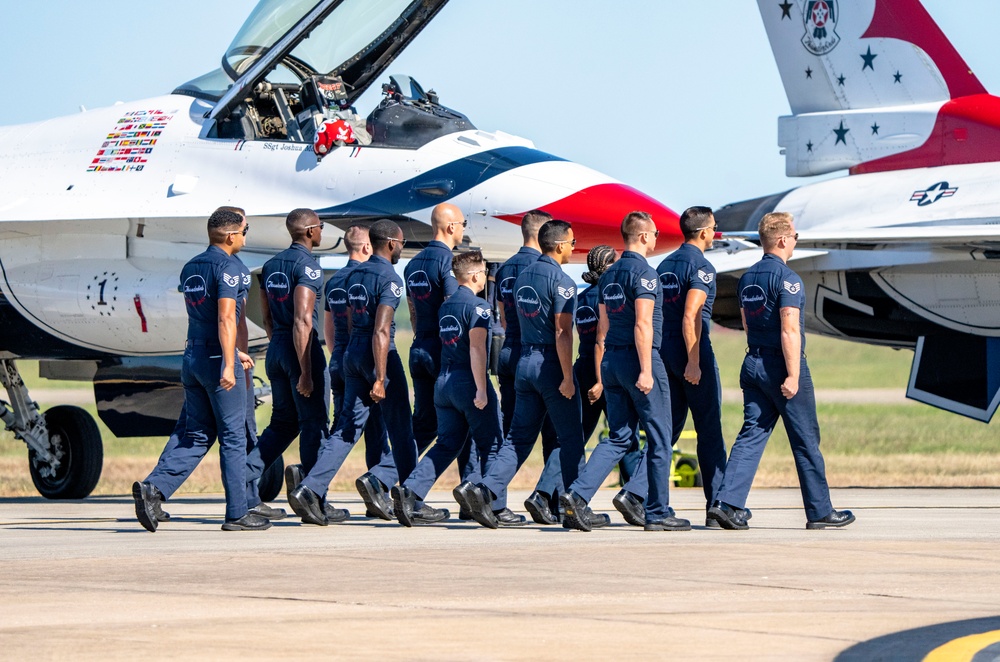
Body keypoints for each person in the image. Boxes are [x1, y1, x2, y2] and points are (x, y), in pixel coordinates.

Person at [289, 220, 444, 525]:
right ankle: (410, 499)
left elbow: (347, 322)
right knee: (402, 431)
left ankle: (309, 488)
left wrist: (352, 359)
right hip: (378, 356)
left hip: (351, 352)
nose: (401, 248)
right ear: (390, 243)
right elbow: (382, 330)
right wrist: (380, 377)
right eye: (400, 244)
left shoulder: (353, 275)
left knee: (347, 429)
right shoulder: (389, 278)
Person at [708, 212, 855, 530]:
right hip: (780, 364)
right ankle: (820, 511)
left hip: (753, 361)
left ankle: (727, 503)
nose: (795, 243)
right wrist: (791, 374)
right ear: (784, 240)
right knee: (805, 438)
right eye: (795, 237)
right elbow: (790, 329)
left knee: (752, 434)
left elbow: (747, 323)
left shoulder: (747, 277)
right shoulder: (788, 279)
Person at [132, 209, 270, 532]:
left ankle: (154, 490)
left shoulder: (190, 267)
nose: (246, 235)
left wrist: (231, 350)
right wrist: (228, 361)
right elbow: (225, 318)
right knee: (234, 437)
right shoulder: (231, 269)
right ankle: (237, 512)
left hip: (192, 356)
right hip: (216, 361)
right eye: (244, 230)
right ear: (230, 236)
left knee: (195, 433)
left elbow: (203, 316)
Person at [454, 220, 588, 529]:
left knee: (516, 439)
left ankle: (484, 489)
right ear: (558, 245)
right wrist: (567, 377)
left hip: (522, 362)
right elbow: (563, 332)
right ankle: (577, 503)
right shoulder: (562, 281)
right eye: (571, 241)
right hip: (550, 364)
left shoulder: (520, 276)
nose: (572, 246)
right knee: (570, 437)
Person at [562, 211, 690, 532]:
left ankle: (577, 497)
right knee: (660, 437)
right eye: (656, 234)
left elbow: (602, 330)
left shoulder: (608, 276)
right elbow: (643, 324)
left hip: (612, 361)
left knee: (619, 436)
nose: (657, 239)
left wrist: (605, 372)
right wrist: (647, 370)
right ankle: (657, 512)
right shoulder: (645, 274)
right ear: (645, 236)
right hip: (639, 360)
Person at [390, 251, 517, 526]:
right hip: (467, 382)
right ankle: (496, 507)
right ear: (474, 276)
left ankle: (409, 491)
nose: (485, 277)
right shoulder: (480, 307)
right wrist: (482, 389)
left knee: (447, 443)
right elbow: (476, 348)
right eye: (483, 272)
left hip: (443, 383)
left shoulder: (445, 307)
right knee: (492, 444)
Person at [245, 209, 349, 522]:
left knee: (283, 423)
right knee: (314, 424)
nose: (322, 232)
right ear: (309, 232)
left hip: (276, 347)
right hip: (300, 351)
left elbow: (266, 315)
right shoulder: (308, 267)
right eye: (320, 227)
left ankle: (244, 485)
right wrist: (305, 371)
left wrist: (278, 347)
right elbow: (304, 320)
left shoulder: (271, 265)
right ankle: (315, 498)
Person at [656, 206, 729, 526]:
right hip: (691, 349)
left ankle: (637, 493)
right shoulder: (702, 267)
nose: (715, 233)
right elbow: (692, 316)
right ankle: (718, 506)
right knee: (709, 430)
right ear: (703, 233)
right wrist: (695, 362)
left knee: (666, 431)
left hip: (663, 348)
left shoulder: (663, 265)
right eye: (713, 228)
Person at [495, 210, 560, 524]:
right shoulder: (539, 269)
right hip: (534, 353)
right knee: (553, 432)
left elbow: (504, 317)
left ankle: (495, 501)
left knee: (510, 433)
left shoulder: (506, 267)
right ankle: (552, 500)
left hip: (507, 350)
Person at [575, 245, 648, 527]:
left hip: (583, 368)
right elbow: (600, 340)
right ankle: (633, 496)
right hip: (603, 372)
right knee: (624, 436)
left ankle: (554, 495)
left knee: (581, 438)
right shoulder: (606, 295)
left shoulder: (581, 298)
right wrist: (600, 381)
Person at [404, 203, 463, 453]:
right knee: (463, 419)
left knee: (424, 424)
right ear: (451, 227)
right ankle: (472, 485)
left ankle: (384, 475)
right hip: (443, 350)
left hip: (418, 347)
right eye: (463, 224)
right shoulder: (448, 262)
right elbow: (453, 309)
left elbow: (413, 312)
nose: (463, 230)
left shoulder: (411, 265)